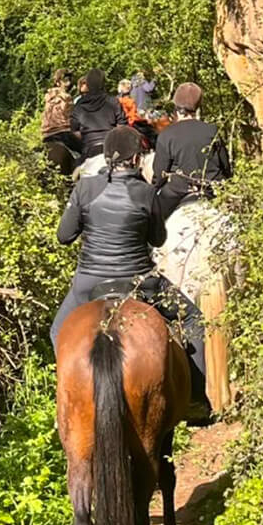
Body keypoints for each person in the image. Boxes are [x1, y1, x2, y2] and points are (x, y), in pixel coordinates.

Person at [50, 127, 209, 414]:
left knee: (58, 330)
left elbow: (64, 236)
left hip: (89, 282)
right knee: (195, 320)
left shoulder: (84, 189)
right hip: (141, 283)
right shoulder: (147, 193)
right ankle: (196, 400)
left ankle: (68, 400)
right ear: (136, 158)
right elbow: (157, 239)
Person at [153, 82, 232, 221]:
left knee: (153, 219)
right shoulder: (213, 130)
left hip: (178, 190)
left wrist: (154, 190)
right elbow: (225, 166)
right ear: (197, 106)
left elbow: (160, 174)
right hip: (212, 188)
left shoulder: (166, 134)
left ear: (176, 107)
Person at [69, 68, 127, 159]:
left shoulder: (79, 104)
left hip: (89, 149)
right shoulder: (113, 101)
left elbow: (75, 131)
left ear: (88, 84)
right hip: (111, 147)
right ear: (103, 83)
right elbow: (122, 127)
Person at [41, 69, 79, 152]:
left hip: (46, 135)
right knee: (86, 152)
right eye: (65, 81)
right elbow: (71, 117)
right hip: (63, 133)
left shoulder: (48, 96)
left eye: (69, 80)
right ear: (58, 82)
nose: (68, 84)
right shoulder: (66, 97)